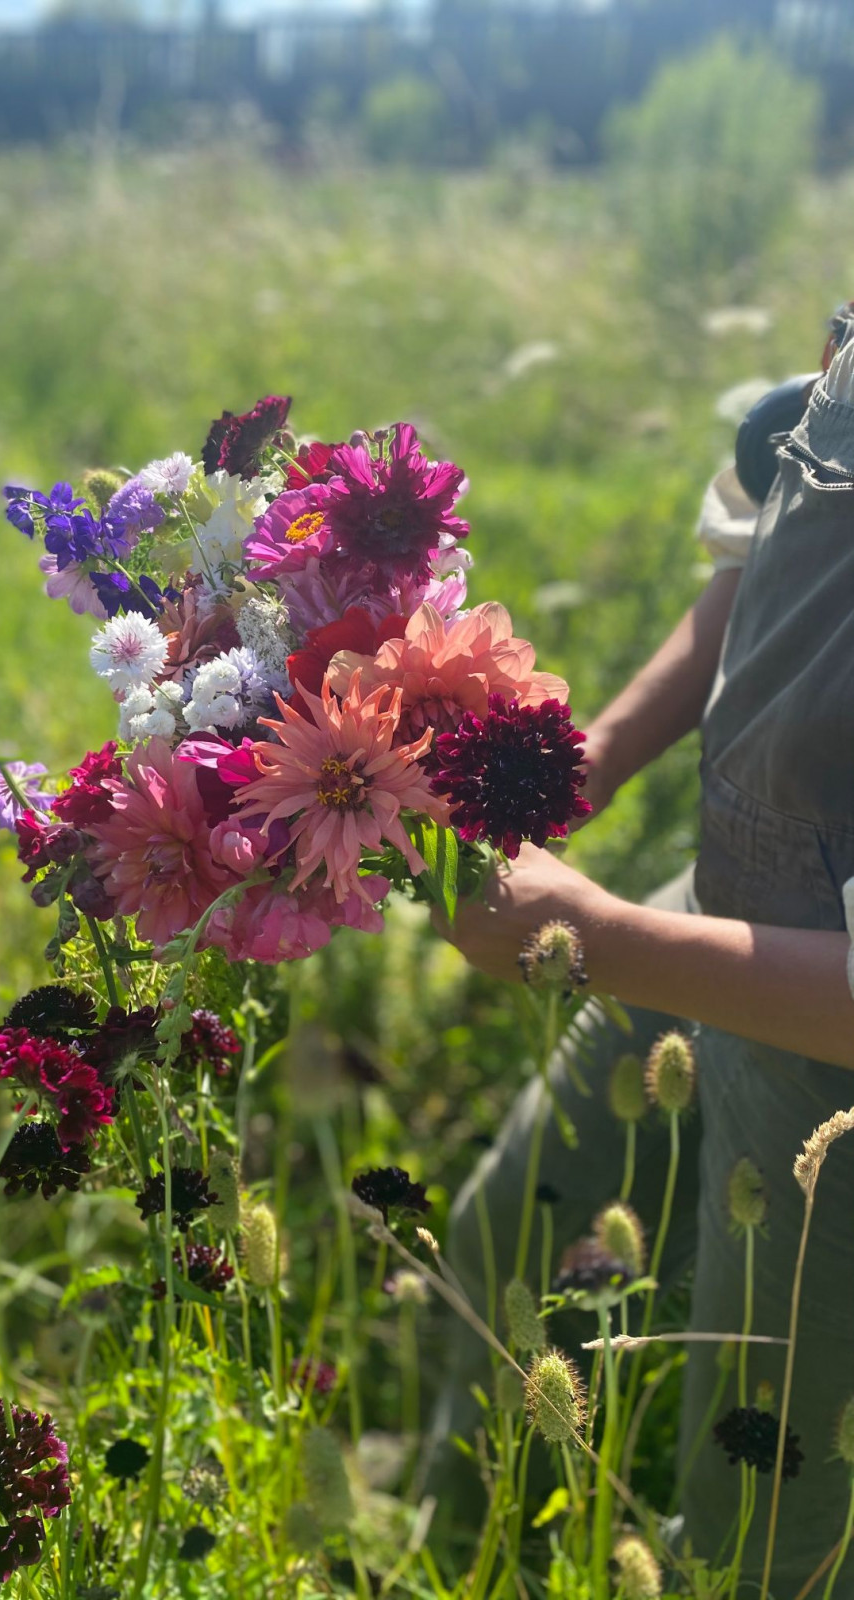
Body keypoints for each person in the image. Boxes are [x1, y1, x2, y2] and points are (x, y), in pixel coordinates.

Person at [436, 311, 854, 1590]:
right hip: (720, 904)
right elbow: (772, 555)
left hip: (823, 1055)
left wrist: (601, 936)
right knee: (509, 1232)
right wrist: (587, 760)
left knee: (766, 1522)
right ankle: (473, 1555)